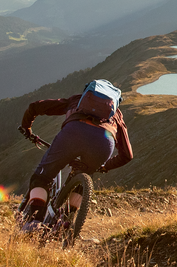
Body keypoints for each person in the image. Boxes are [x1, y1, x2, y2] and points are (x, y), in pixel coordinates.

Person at [17, 79, 122, 232]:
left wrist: (27, 128)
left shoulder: (77, 101)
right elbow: (127, 155)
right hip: (103, 145)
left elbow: (35, 107)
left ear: (88, 93)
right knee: (84, 176)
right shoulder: (117, 116)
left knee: (42, 178)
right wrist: (105, 166)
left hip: (73, 134)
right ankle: (65, 224)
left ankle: (34, 223)